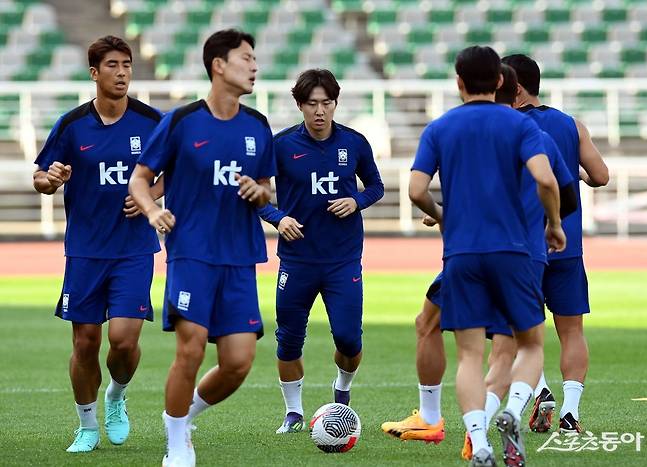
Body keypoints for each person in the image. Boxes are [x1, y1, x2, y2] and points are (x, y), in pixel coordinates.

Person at [381, 65, 577, 460]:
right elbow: (552, 183)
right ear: (505, 85)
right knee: (524, 346)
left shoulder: (443, 128)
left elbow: (416, 189)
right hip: (518, 253)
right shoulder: (527, 130)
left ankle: (478, 439)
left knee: (467, 352)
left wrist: (441, 214)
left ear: (458, 82)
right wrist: (553, 223)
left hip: (463, 252)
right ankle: (509, 410)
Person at [128, 29, 275, 467]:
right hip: (191, 253)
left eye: (255, 58)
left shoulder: (258, 126)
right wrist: (154, 212)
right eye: (246, 58)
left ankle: (183, 414)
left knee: (238, 362)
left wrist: (259, 192)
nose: (254, 66)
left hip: (240, 256)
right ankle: (176, 446)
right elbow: (139, 180)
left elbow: (268, 188)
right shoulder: (180, 121)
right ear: (218, 65)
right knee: (190, 348)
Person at [32, 35, 163, 453]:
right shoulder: (71, 125)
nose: (122, 72)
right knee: (85, 341)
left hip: (134, 249)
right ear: (94, 72)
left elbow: (180, 169)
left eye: (127, 64)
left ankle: (116, 397)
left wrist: (150, 195)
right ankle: (87, 426)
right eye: (112, 65)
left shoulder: (152, 121)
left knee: (124, 341)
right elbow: (40, 177)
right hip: (86, 250)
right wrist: (50, 181)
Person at [258, 68, 384, 433]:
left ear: (335, 103)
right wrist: (278, 219)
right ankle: (294, 413)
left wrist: (357, 201)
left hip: (343, 258)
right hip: (296, 260)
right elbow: (258, 196)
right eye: (311, 103)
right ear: (299, 105)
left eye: (326, 103)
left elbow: (376, 186)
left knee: (348, 337)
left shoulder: (355, 143)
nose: (319, 111)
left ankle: (341, 393)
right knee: (289, 338)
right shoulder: (281, 145)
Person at [503, 54, 609, 434]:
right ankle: (571, 412)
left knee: (519, 332)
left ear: (514, 88)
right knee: (572, 331)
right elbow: (600, 176)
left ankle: (541, 390)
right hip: (567, 244)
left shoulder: (508, 126)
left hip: (523, 245)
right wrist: (568, 171)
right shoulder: (570, 125)